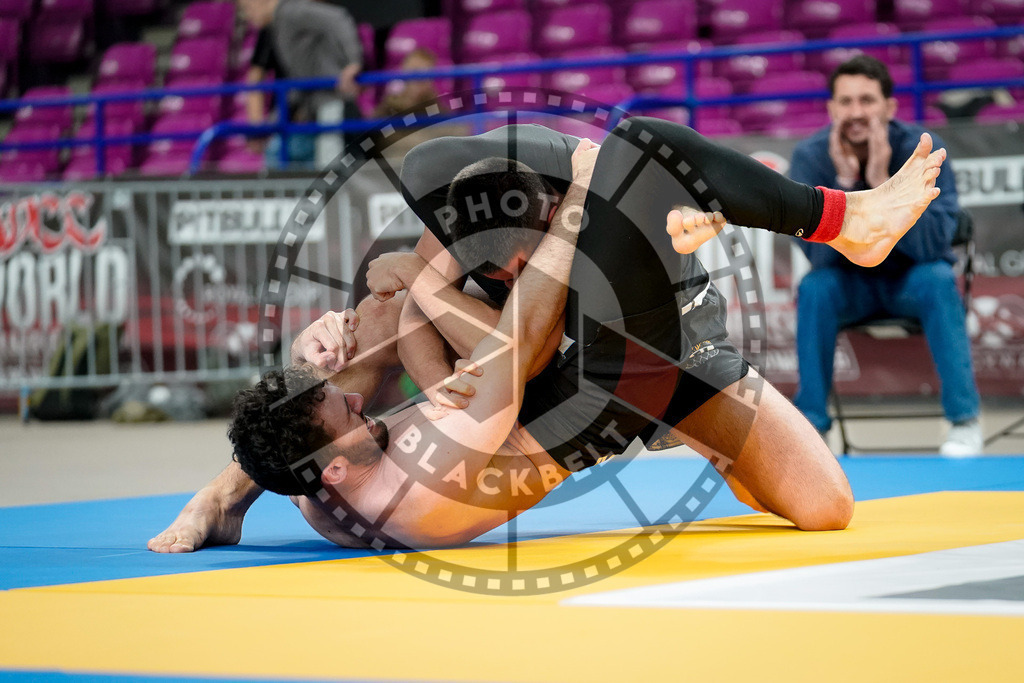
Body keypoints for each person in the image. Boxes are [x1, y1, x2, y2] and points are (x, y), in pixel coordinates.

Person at [150, 116, 947, 551]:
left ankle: (216, 498)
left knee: (424, 204)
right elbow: (521, 353)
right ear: (327, 475)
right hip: (615, 385)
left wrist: (237, 473)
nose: (369, 413)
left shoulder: (319, 481)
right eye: (350, 420)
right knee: (633, 155)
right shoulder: (425, 485)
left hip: (570, 359)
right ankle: (840, 223)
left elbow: (283, 430)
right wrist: (580, 204)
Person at [788, 55, 983, 457]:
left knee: (939, 279)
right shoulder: (812, 157)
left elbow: (933, 247)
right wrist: (844, 185)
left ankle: (964, 421)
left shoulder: (923, 151)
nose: (856, 113)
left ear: (890, 107)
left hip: (909, 281)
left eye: (867, 100)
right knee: (815, 288)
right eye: (845, 102)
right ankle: (811, 428)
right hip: (848, 283)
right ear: (831, 108)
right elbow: (818, 257)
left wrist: (881, 183)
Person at [237, 0, 363, 169]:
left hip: (333, 103)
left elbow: (338, 18)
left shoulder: (292, 11)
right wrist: (269, 125)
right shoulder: (278, 24)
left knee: (332, 172)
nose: (247, 16)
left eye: (247, 8)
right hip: (317, 108)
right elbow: (299, 81)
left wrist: (353, 62)